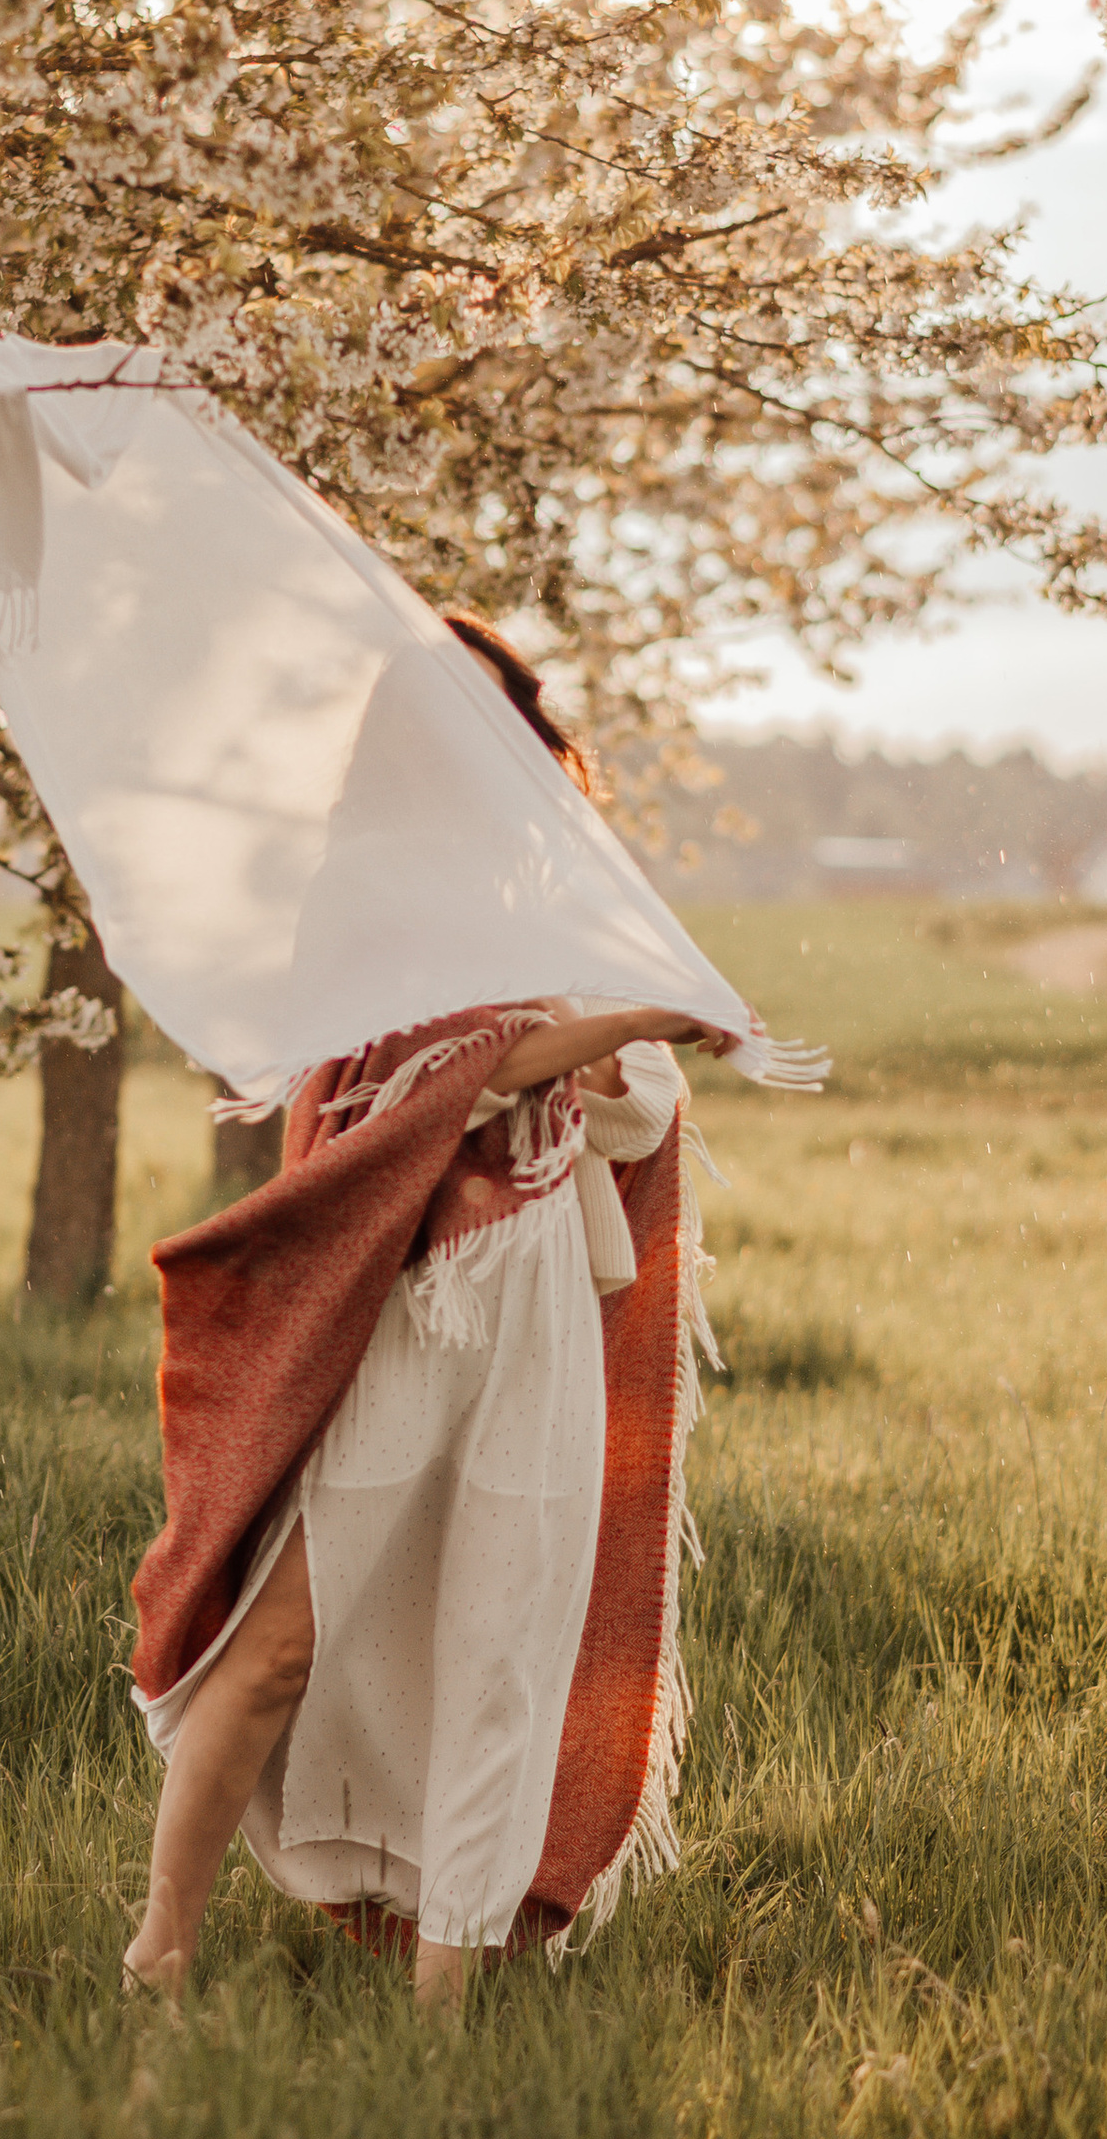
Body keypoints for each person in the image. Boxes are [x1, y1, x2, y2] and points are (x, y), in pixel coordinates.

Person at [123, 618, 738, 2017]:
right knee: (282, 1632)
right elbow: (463, 1066)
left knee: (504, 1645)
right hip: (408, 1296)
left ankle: (441, 2014)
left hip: (536, 1305)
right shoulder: (365, 884)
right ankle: (161, 1941)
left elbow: (616, 1092)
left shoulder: (540, 889)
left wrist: (639, 1036)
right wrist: (626, 1019)